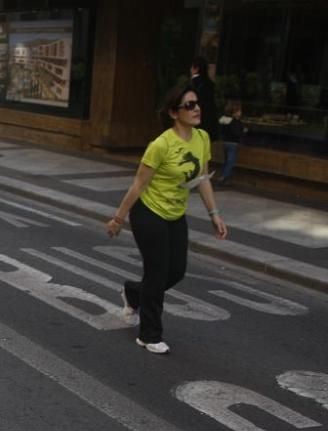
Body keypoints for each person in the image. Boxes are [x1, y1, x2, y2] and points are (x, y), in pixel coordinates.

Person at [106, 84, 229, 354]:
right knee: (157, 271)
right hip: (148, 211)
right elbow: (138, 185)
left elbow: (203, 179)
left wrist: (214, 214)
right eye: (189, 105)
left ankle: (133, 293)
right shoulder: (160, 145)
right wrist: (118, 218)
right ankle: (149, 335)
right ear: (175, 113)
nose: (196, 109)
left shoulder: (202, 138)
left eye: (197, 104)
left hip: (175, 213)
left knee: (176, 271)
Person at [189, 56, 219, 141]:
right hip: (209, 124)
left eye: (191, 67)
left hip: (194, 123)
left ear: (196, 68)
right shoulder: (210, 84)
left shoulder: (193, 84)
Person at [217, 100, 247, 186]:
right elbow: (236, 133)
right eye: (239, 111)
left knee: (227, 161)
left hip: (225, 142)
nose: (240, 113)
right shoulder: (235, 122)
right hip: (233, 144)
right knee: (231, 161)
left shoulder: (224, 120)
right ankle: (223, 177)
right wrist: (243, 131)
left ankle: (225, 177)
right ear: (234, 112)